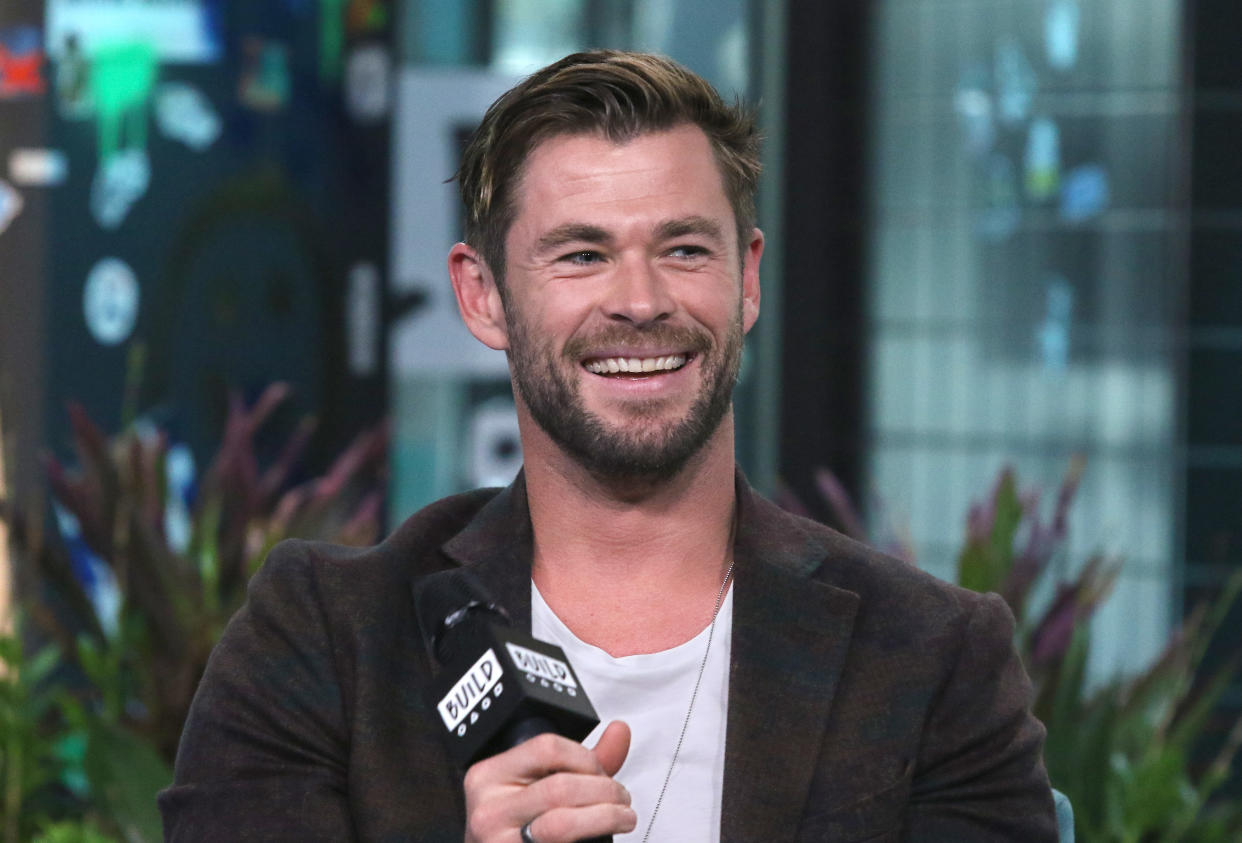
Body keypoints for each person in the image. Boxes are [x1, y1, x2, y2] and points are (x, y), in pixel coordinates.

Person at [159, 50, 1058, 842]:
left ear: (747, 280)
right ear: (481, 297)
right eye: (581, 255)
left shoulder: (933, 656)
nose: (639, 300)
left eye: (683, 249)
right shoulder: (326, 637)